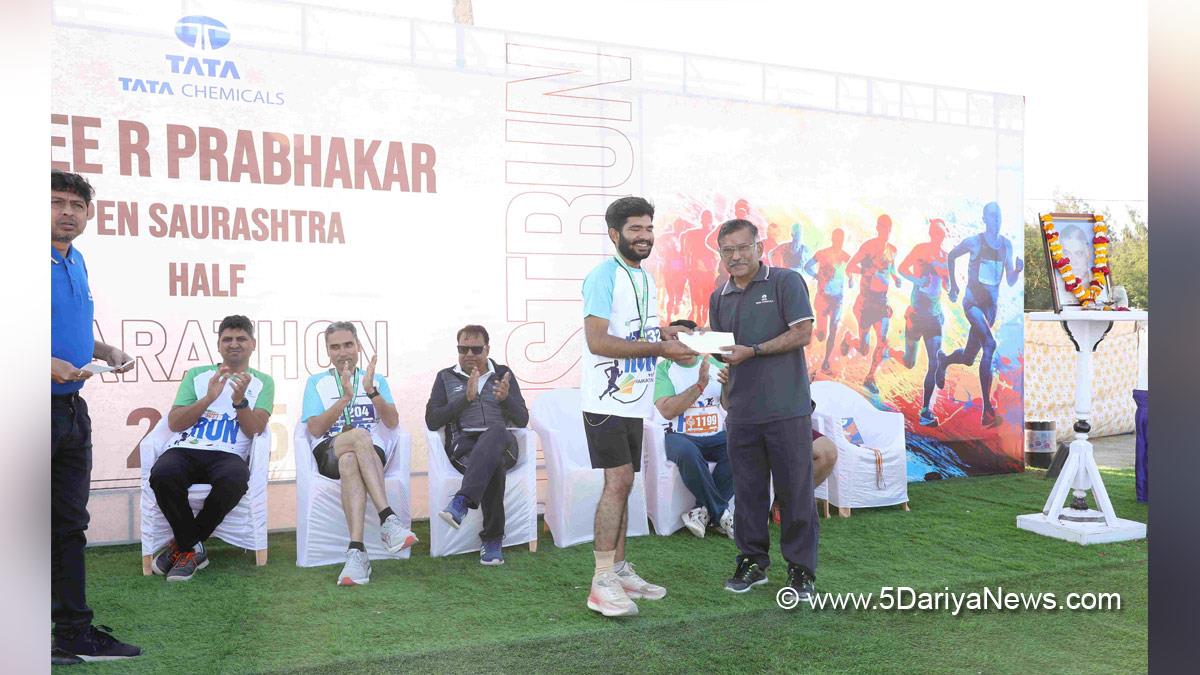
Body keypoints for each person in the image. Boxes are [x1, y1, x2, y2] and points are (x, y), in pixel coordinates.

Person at [581, 196, 697, 617]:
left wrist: (670, 334)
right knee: (616, 484)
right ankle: (601, 582)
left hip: (634, 401)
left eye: (648, 228)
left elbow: (639, 330)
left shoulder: (644, 278)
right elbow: (598, 341)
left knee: (625, 484)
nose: (644, 236)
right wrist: (662, 348)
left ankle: (620, 569)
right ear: (615, 233)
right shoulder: (602, 276)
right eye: (635, 229)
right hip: (605, 401)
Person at [50, 170, 141, 664]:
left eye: (76, 205)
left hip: (68, 411)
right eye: (56, 202)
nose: (67, 211)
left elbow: (71, 329)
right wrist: (46, 365)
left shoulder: (75, 259)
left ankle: (72, 634)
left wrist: (105, 350)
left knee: (68, 526)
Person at [708, 218, 819, 602]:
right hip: (741, 411)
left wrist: (752, 351)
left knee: (795, 492)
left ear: (759, 247)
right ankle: (752, 562)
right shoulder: (718, 297)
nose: (735, 256)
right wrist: (710, 355)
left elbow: (802, 333)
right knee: (749, 492)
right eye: (727, 250)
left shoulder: (785, 282)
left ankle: (801, 571)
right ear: (720, 253)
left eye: (742, 248)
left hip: (787, 408)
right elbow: (724, 351)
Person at [149, 315, 274, 583]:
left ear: (253, 344)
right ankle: (193, 549)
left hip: (228, 454)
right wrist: (208, 398)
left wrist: (240, 402)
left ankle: (182, 547)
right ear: (218, 345)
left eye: (241, 339)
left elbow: (255, 431)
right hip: (186, 448)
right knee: (162, 474)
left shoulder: (263, 382)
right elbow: (174, 422)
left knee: (236, 479)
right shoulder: (198, 375)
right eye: (227, 339)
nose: (234, 344)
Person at [301, 321, 417, 585]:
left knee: (351, 459)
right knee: (358, 437)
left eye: (348, 345)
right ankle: (388, 519)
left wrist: (371, 391)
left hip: (369, 455)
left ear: (358, 347)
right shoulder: (316, 382)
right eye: (335, 347)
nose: (343, 352)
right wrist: (344, 398)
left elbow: (392, 422)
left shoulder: (375, 379)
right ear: (328, 352)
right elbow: (316, 428)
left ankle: (356, 553)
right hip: (330, 449)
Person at [426, 324, 529, 566]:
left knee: (495, 432)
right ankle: (493, 540)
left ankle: (461, 502)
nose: (469, 354)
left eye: (476, 349)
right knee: (492, 465)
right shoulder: (445, 377)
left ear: (487, 349)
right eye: (463, 349)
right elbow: (432, 421)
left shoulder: (503, 374)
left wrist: (505, 401)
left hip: (503, 443)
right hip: (465, 448)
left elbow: (523, 419)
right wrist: (466, 399)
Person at [934, 202, 1023, 427]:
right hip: (972, 303)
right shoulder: (974, 242)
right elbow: (952, 255)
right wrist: (954, 286)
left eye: (999, 216)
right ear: (984, 218)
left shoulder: (1006, 245)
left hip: (990, 309)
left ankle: (944, 360)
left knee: (968, 357)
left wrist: (1018, 271)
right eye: (993, 216)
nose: (997, 220)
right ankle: (987, 412)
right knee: (990, 345)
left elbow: (1010, 280)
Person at [652, 319, 734, 539]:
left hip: (715, 435)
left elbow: (726, 405)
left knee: (741, 446)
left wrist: (727, 385)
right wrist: (699, 386)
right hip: (679, 436)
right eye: (681, 338)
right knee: (688, 452)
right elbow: (667, 410)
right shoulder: (664, 370)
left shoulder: (713, 363)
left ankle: (703, 512)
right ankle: (723, 514)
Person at [890, 219, 950, 426]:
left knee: (934, 362)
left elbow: (948, 284)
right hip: (916, 315)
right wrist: (918, 281)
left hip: (934, 316)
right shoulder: (920, 249)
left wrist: (950, 286)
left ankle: (926, 410)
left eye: (941, 233)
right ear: (931, 233)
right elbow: (901, 268)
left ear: (945, 235)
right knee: (909, 362)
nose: (938, 235)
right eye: (935, 232)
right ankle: (889, 351)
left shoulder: (946, 256)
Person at [840, 215, 900, 394]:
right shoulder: (868, 247)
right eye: (883, 227)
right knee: (864, 349)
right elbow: (849, 267)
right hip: (866, 301)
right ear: (877, 227)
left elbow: (891, 269)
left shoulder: (892, 250)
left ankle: (870, 377)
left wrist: (896, 278)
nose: (886, 232)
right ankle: (849, 339)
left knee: (882, 340)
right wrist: (867, 270)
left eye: (888, 228)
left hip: (882, 301)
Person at [804, 228, 851, 375]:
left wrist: (851, 280)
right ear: (832, 239)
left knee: (834, 330)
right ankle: (814, 331)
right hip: (823, 297)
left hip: (837, 299)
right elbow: (807, 266)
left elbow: (850, 273)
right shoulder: (823, 253)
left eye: (841, 239)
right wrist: (817, 276)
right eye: (837, 239)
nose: (839, 242)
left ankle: (826, 362)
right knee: (822, 334)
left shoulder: (846, 257)